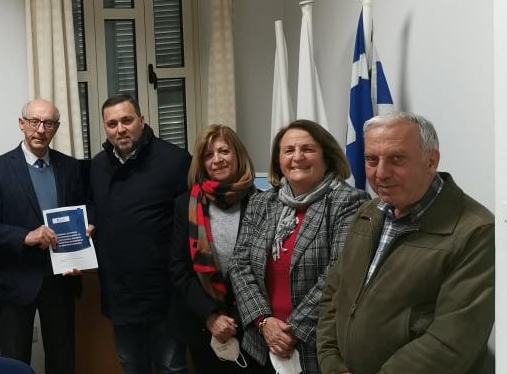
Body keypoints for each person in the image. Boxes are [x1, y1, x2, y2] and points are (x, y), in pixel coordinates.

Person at [317, 112, 494, 374]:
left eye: (397, 159)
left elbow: (452, 341)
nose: (381, 173)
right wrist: (333, 364)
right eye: (371, 159)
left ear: (431, 161)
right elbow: (334, 294)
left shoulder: (476, 231)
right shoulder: (367, 212)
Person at [229, 119, 368, 373]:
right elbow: (239, 265)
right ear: (278, 160)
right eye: (289, 150)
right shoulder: (262, 203)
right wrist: (264, 322)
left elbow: (341, 273)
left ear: (326, 156)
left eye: (308, 149)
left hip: (318, 345)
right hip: (261, 344)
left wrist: (292, 331)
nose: (297, 157)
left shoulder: (348, 202)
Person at [0, 99, 86, 374]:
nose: (41, 129)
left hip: (61, 280)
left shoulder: (71, 167)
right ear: (22, 124)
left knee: (63, 360)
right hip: (15, 279)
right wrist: (25, 236)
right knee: (14, 363)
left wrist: (86, 231)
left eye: (48, 123)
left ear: (56, 127)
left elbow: (86, 207)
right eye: (34, 122)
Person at [90, 94, 190, 374]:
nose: (120, 129)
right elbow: (94, 209)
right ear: (105, 127)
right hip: (120, 295)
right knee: (131, 366)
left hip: (165, 294)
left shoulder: (175, 160)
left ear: (142, 121)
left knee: (171, 367)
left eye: (127, 120)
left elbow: (191, 226)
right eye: (112, 124)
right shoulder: (97, 166)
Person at [168, 125, 269, 374]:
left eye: (224, 151)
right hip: (204, 326)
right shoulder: (185, 205)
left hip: (253, 324)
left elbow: (265, 269)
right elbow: (179, 268)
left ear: (238, 154)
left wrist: (236, 318)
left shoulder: (262, 203)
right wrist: (211, 316)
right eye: (208, 155)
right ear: (201, 163)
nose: (217, 159)